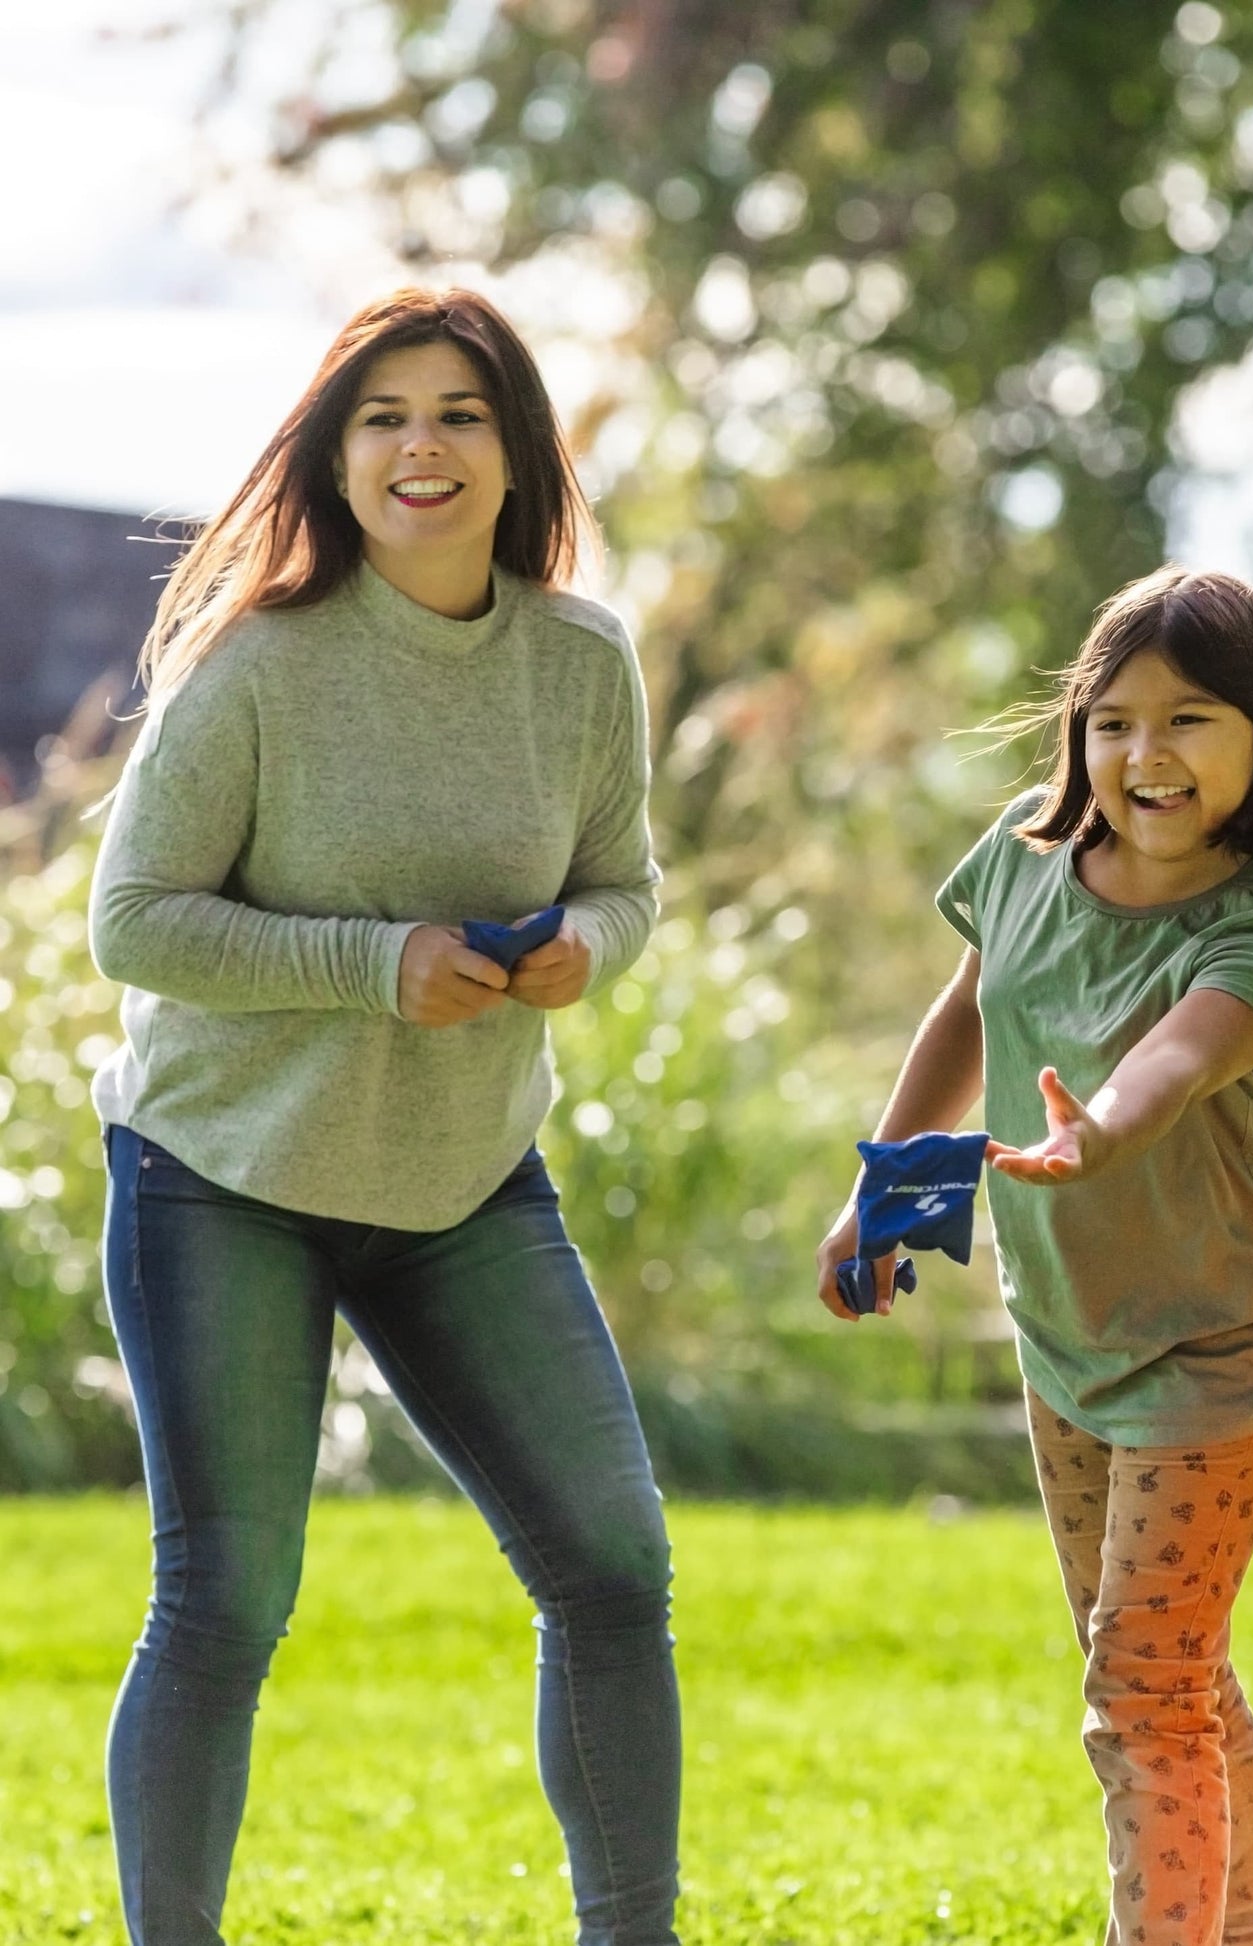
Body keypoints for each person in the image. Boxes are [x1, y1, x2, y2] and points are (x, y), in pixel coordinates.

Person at [88, 287, 679, 1946]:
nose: (422, 446)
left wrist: (583, 949)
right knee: (225, 1600)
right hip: (224, 1170)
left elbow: (625, 883)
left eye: (460, 415)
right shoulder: (258, 662)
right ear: (339, 457)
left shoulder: (580, 660)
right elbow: (131, 919)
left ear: (515, 456)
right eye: (385, 416)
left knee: (616, 1569)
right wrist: (377, 963)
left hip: (465, 1171)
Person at [816, 565, 1253, 1946]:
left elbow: (1176, 1057)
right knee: (1163, 1665)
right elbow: (970, 1011)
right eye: (1113, 720)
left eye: (1188, 720)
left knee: (1143, 1685)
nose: (1143, 754)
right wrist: (882, 1187)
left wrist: (1101, 1127)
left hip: (1222, 1339)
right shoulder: (1023, 856)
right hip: (1070, 1328)